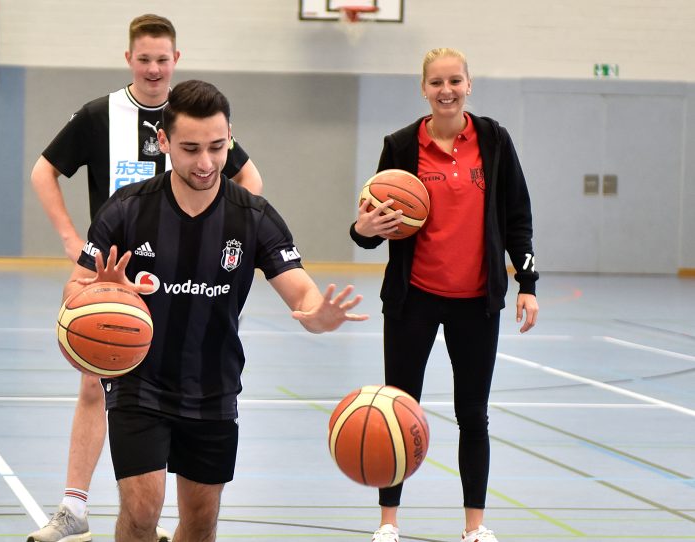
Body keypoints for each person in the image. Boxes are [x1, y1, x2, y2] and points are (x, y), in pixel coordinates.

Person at [64, 79, 367, 541]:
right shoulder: (125, 210)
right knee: (143, 510)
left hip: (213, 386)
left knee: (202, 521)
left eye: (217, 147)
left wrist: (320, 316)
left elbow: (302, 294)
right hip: (139, 385)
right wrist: (96, 294)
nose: (205, 163)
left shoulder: (253, 216)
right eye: (190, 148)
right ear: (163, 141)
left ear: (230, 139)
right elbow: (75, 290)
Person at [28, 14, 263, 542]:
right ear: (129, 59)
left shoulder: (195, 119)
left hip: (185, 274)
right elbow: (44, 169)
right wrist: (71, 236)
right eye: (144, 58)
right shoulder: (99, 115)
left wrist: (238, 239)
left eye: (163, 59)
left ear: (176, 60)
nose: (154, 68)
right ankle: (75, 506)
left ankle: (134, 506)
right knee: (96, 372)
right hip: (115, 272)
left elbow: (248, 178)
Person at [350, 48, 539, 542]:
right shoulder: (399, 146)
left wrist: (527, 284)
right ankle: (388, 522)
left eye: (454, 80)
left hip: (477, 302)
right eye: (436, 82)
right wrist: (362, 228)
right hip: (414, 299)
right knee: (396, 409)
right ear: (423, 88)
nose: (446, 89)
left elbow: (518, 215)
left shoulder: (494, 140)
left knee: (473, 414)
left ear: (469, 85)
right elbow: (371, 227)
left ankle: (474, 526)